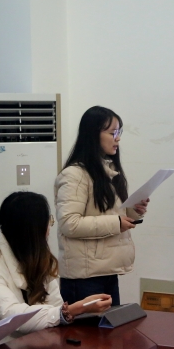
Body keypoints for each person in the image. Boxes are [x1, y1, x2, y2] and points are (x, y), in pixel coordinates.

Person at [0, 192, 112, 343]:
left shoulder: (36, 255)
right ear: (31, 229)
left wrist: (66, 312)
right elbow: (12, 317)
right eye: (47, 222)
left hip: (32, 342)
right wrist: (72, 310)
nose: (49, 229)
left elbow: (54, 305)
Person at [55, 106, 148, 305]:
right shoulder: (74, 175)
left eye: (119, 132)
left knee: (111, 325)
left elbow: (110, 212)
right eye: (113, 132)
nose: (118, 138)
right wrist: (116, 223)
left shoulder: (108, 171)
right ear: (93, 134)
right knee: (91, 327)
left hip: (106, 270)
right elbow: (69, 224)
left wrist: (134, 211)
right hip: (83, 278)